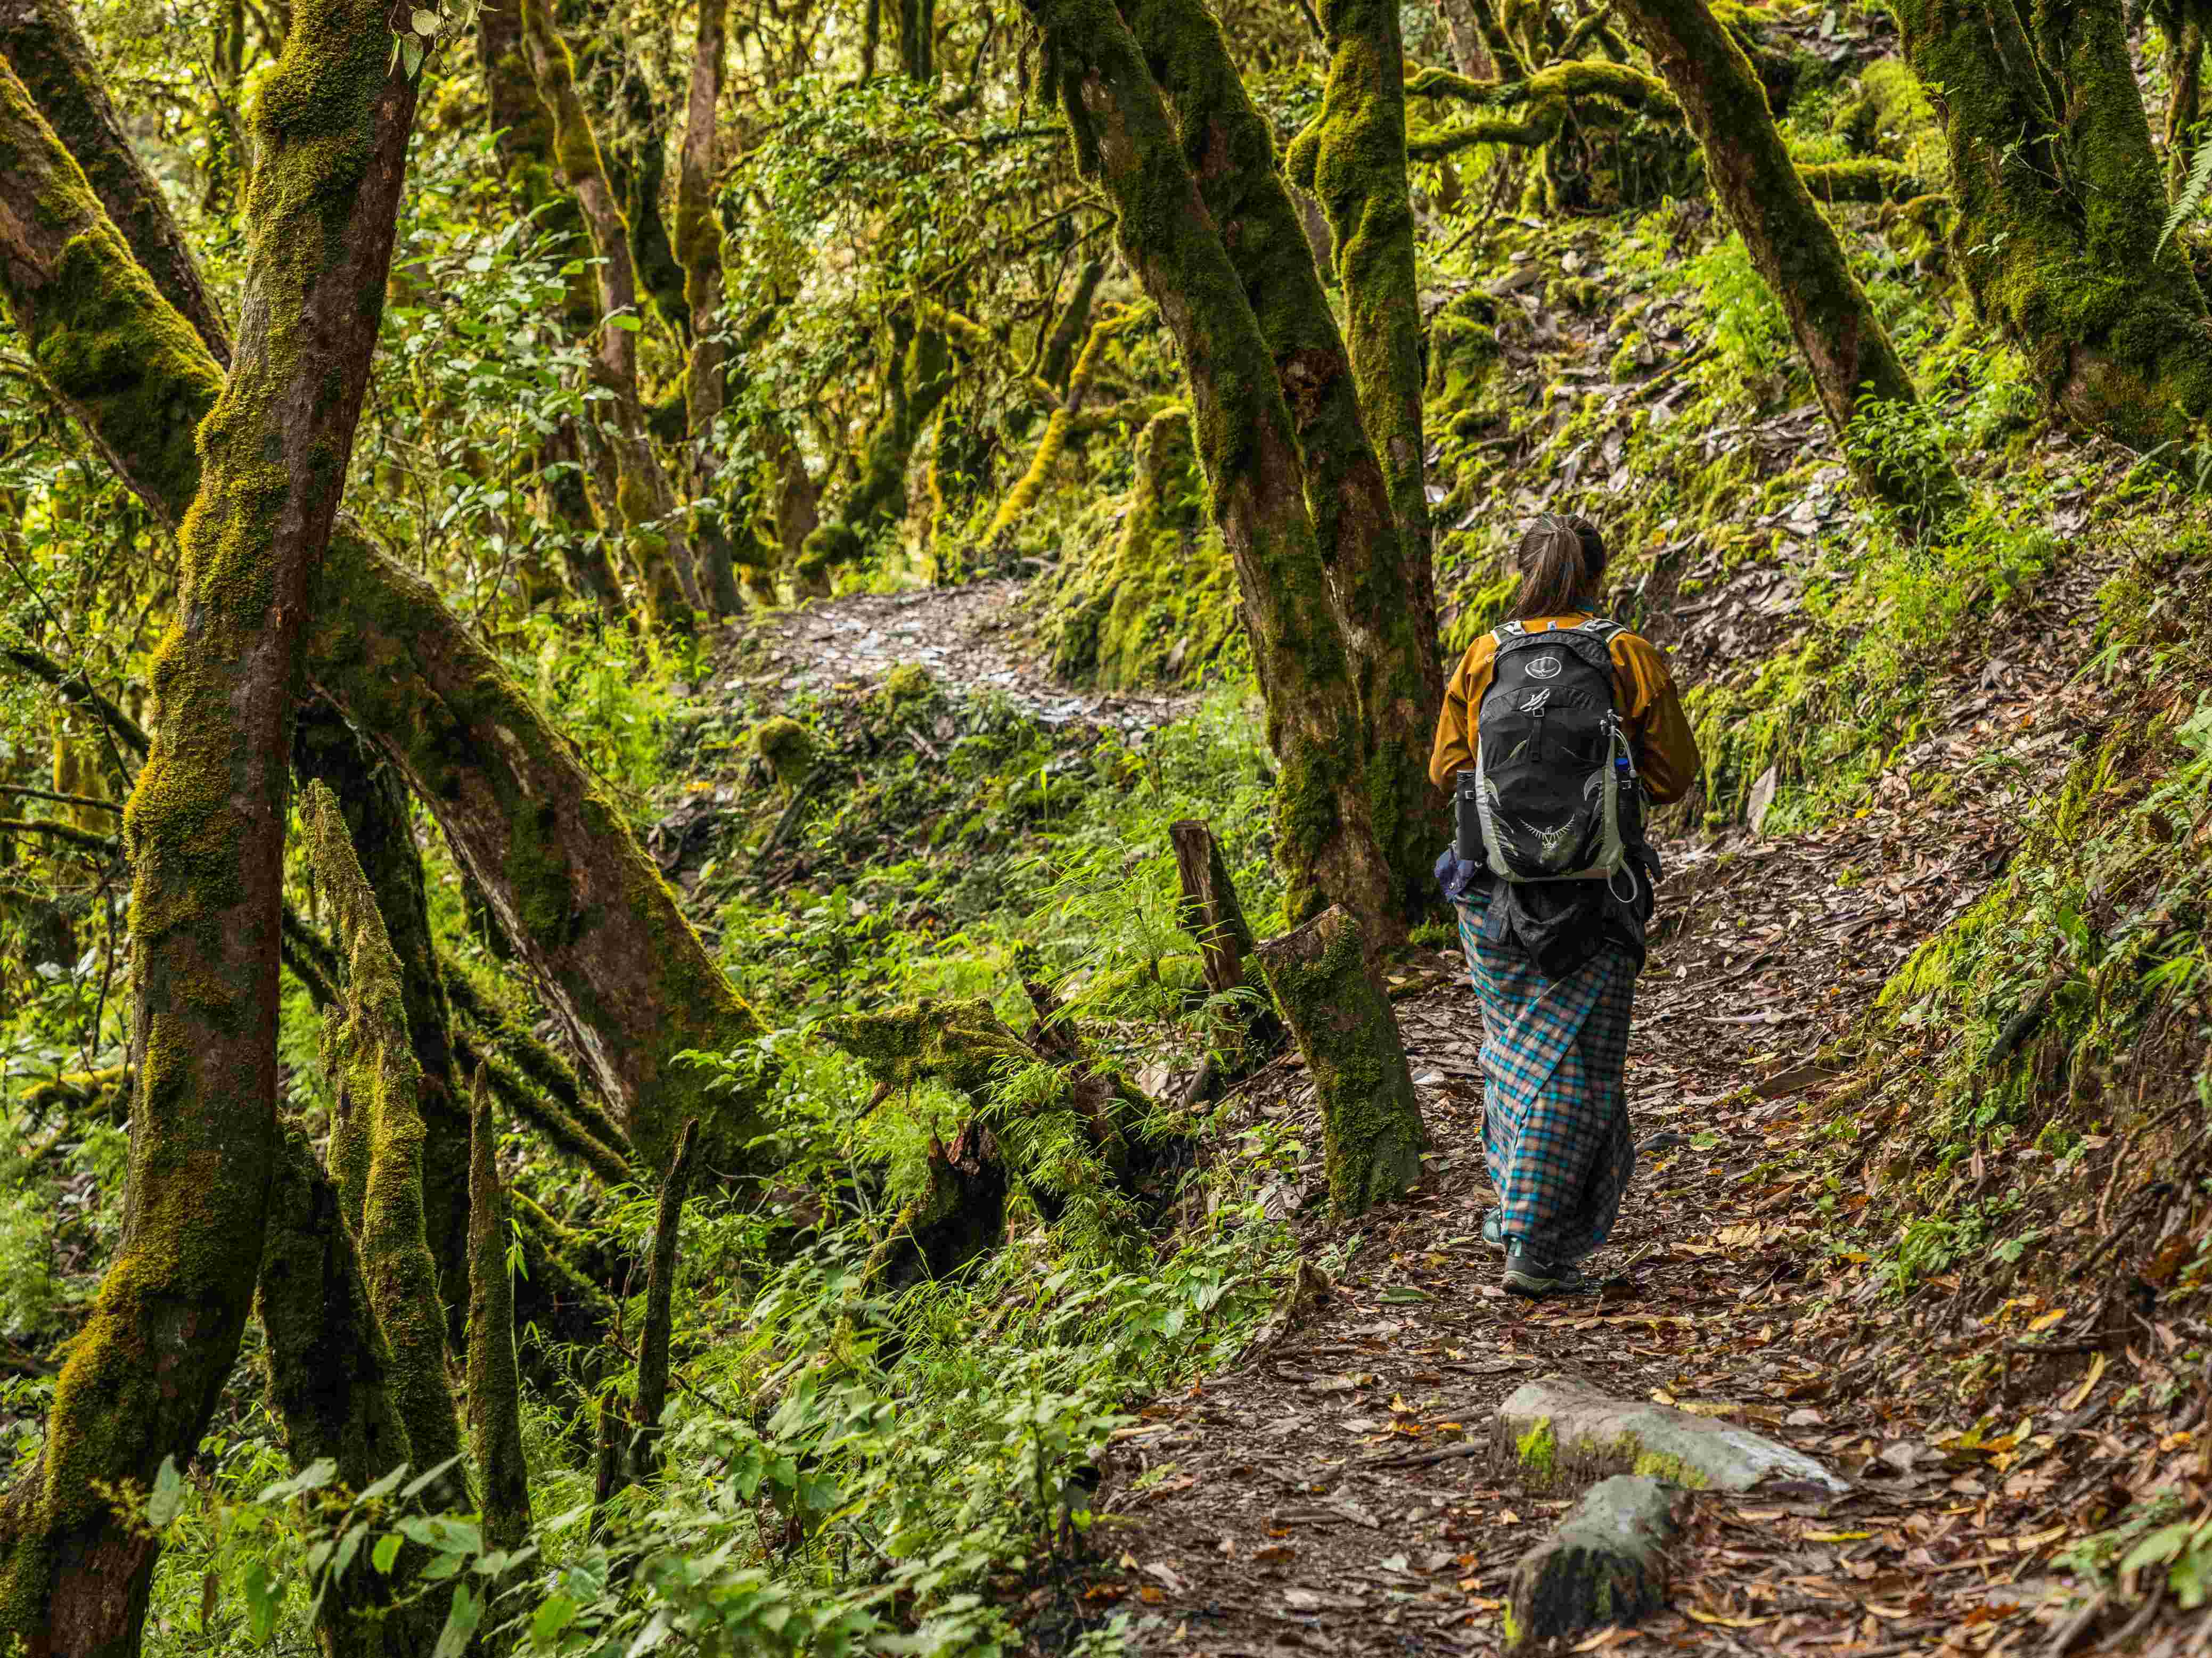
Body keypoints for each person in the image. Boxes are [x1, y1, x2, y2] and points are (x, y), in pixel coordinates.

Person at [1428, 512, 1699, 1299]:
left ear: (1524, 573)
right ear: (1597, 576)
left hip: (1491, 894)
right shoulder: (1625, 653)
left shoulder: (1485, 654)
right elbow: (1672, 776)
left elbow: (1447, 768)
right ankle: (1536, 1245)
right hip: (1596, 897)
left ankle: (1517, 1212)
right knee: (1575, 1066)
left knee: (1514, 1053)